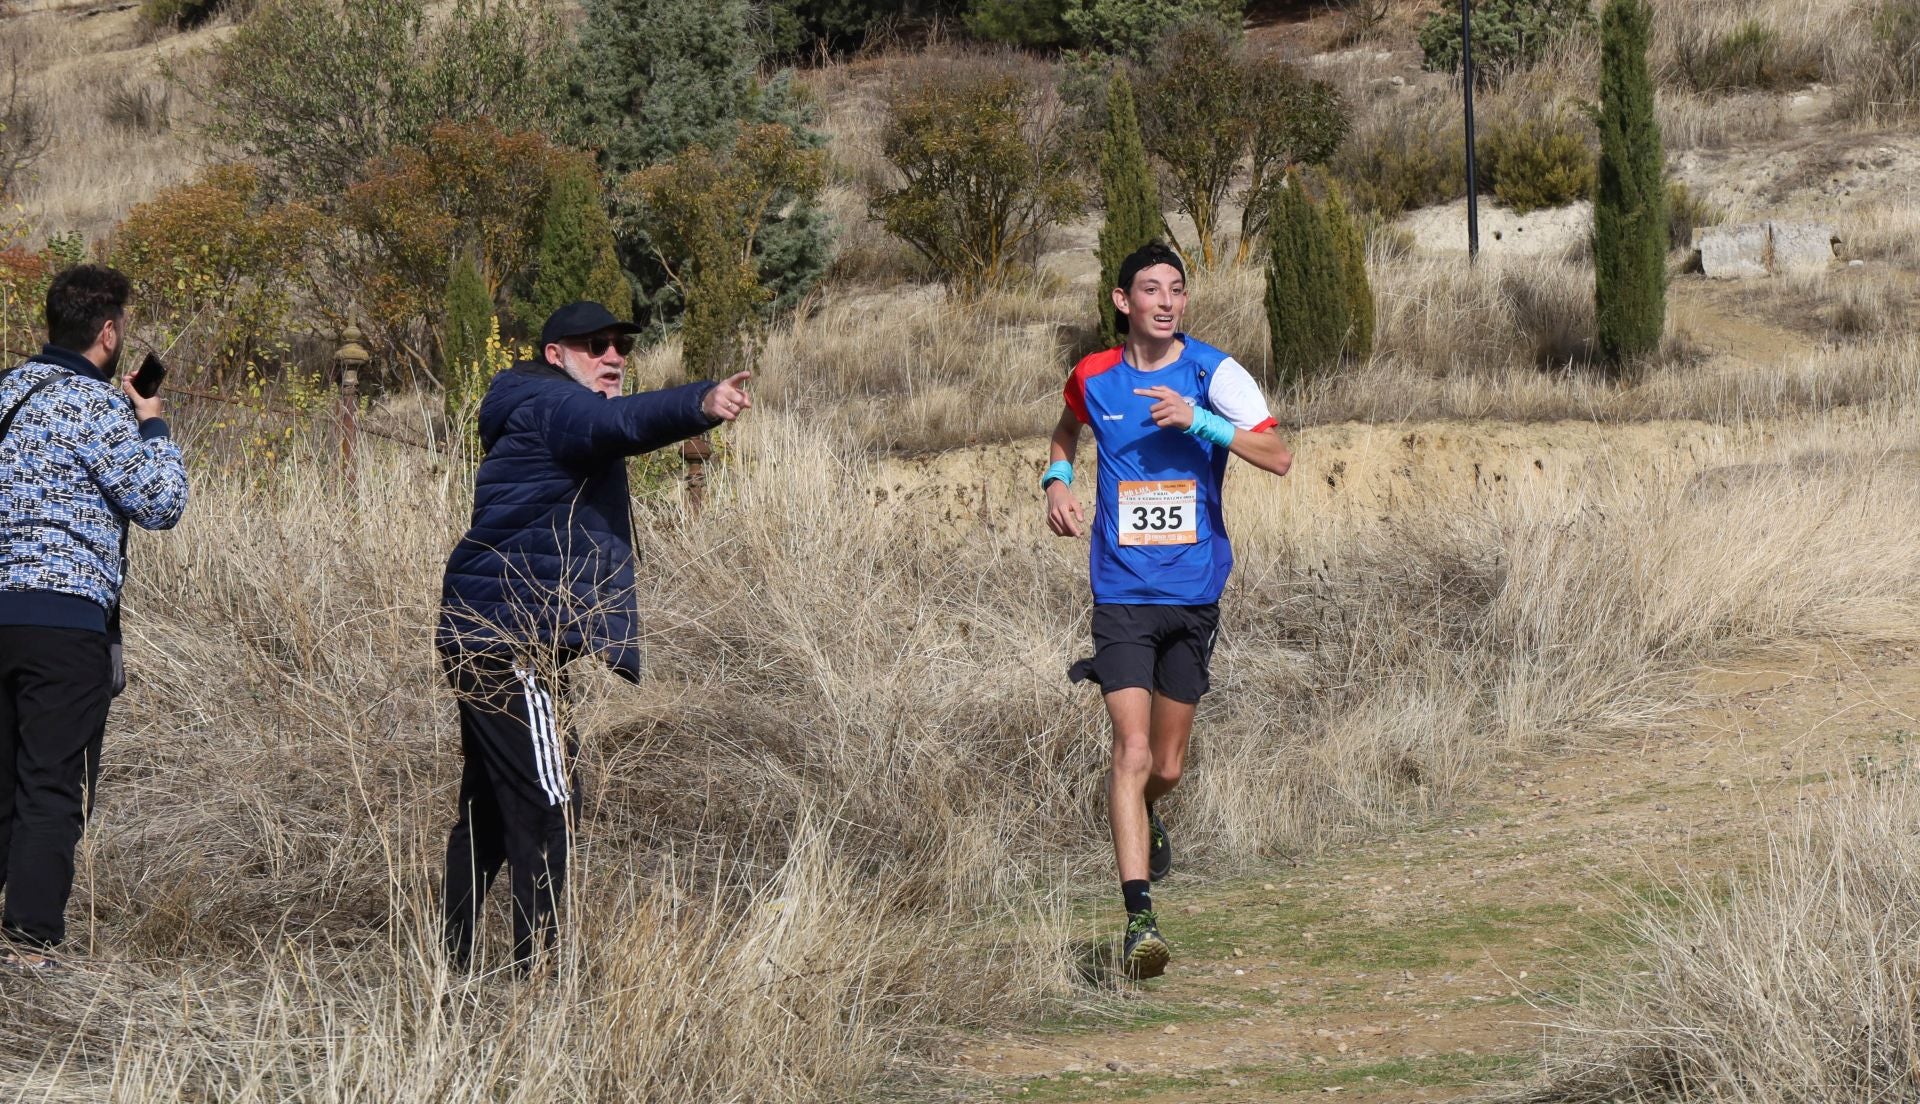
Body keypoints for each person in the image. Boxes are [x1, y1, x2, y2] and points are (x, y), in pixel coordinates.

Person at [435, 300, 751, 972]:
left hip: (488, 631)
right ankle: (540, 972)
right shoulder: (556, 406)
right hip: (510, 641)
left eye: (620, 346)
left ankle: (455, 973)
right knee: (552, 801)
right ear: (557, 355)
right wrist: (701, 402)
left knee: (493, 808)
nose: (612, 356)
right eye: (594, 345)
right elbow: (622, 422)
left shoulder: (533, 403)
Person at [1044, 242, 1292, 980]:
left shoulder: (1215, 373)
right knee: (1134, 752)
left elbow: (1278, 455)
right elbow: (1066, 430)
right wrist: (1057, 481)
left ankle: (1145, 812)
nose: (1166, 300)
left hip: (1193, 591)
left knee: (1170, 766)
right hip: (1120, 591)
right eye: (1150, 289)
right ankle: (1139, 919)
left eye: (1176, 290)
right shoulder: (1093, 375)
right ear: (1122, 302)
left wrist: (1202, 422)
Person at [0, 264, 188, 971]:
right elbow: (162, 503)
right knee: (50, 785)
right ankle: (28, 947)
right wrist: (152, 421)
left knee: (2, 785)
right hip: (64, 621)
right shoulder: (98, 409)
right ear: (108, 334)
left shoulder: (5, 394)